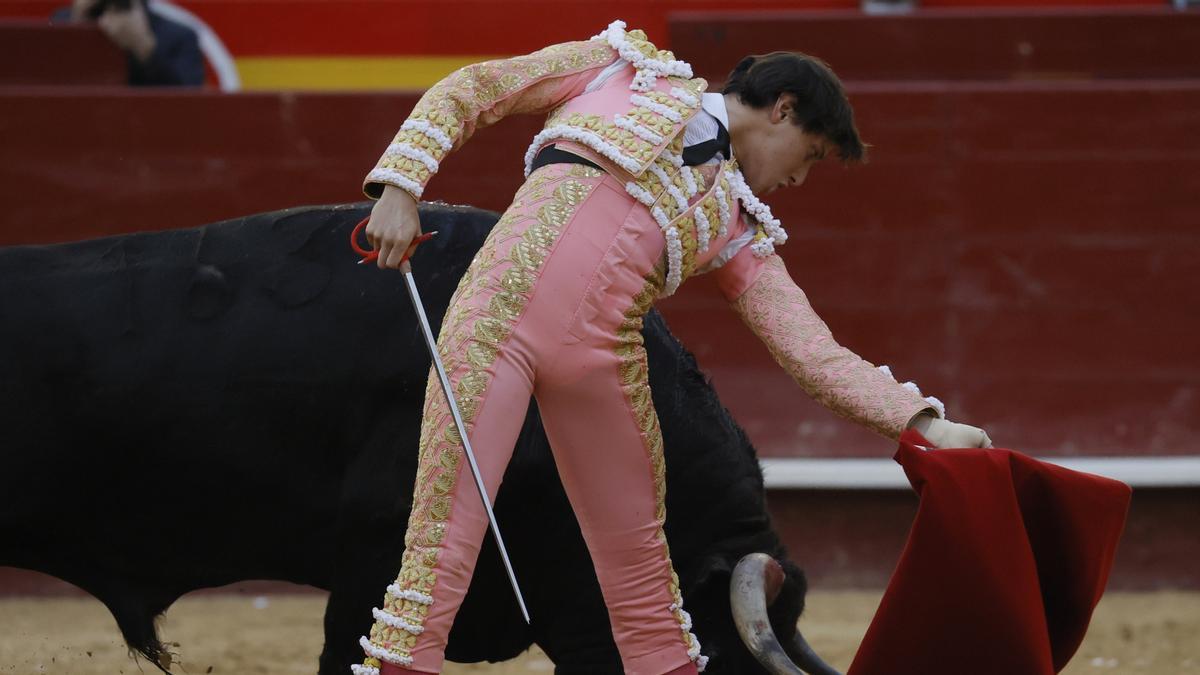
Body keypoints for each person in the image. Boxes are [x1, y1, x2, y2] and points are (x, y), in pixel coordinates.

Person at [353, 19, 992, 675]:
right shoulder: (621, 71)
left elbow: (810, 350)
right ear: (784, 108)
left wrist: (922, 421)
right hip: (493, 327)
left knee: (642, 574)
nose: (800, 181)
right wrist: (402, 183)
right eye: (811, 155)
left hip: (602, 366)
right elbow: (476, 86)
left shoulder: (736, 224)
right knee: (442, 539)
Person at [52, 0, 204, 87]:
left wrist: (145, 48)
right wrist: (76, 24)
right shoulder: (62, 21)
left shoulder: (180, 37)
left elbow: (188, 108)